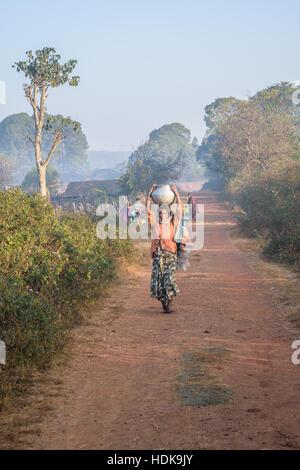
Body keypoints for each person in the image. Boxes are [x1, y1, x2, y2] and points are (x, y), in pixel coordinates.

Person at [146, 184, 183, 314]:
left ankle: (169, 303)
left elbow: (180, 209)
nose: (162, 215)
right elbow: (148, 211)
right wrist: (149, 195)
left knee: (169, 279)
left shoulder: (173, 222)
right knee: (159, 281)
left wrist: (176, 193)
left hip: (170, 253)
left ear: (169, 214)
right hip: (158, 255)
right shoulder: (155, 223)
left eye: (165, 213)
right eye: (160, 213)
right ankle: (164, 306)